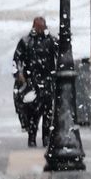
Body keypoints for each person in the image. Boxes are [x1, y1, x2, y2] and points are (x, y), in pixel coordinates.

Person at [13, 17, 58, 148]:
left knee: (47, 110)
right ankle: (33, 136)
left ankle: (44, 137)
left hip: (45, 80)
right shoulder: (27, 41)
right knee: (34, 111)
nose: (40, 29)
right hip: (32, 81)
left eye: (41, 27)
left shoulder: (50, 41)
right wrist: (19, 74)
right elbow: (17, 59)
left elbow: (59, 55)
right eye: (38, 26)